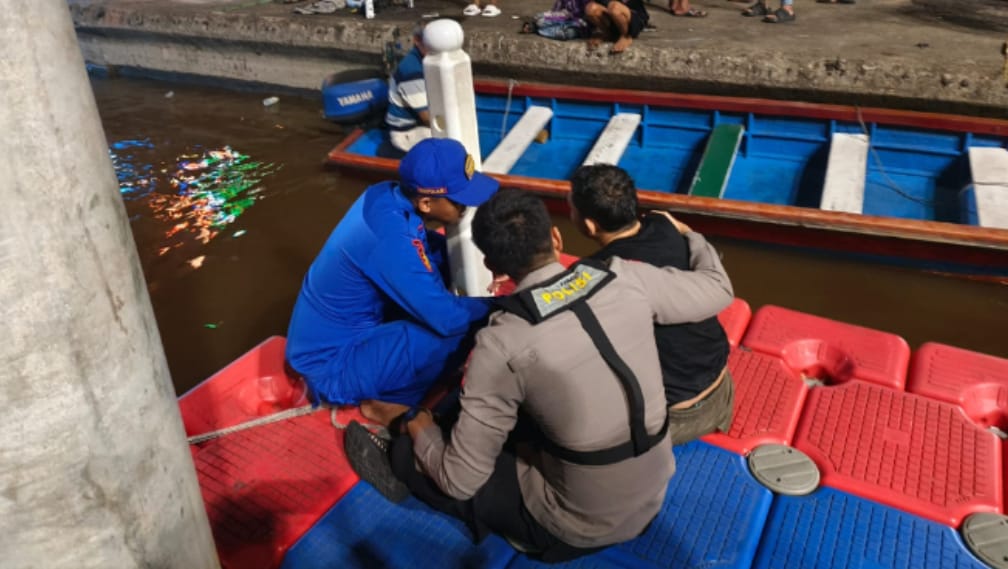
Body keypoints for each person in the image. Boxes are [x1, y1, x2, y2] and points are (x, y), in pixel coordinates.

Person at [347, 189, 734, 562]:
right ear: (555, 236)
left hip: (574, 528)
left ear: (491, 266)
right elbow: (718, 289)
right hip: (654, 490)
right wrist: (690, 235)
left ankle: (404, 451)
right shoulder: (625, 277)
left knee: (423, 454)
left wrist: (418, 424)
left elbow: (459, 479)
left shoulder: (502, 341)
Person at [285, 138, 498, 412]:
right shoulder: (390, 239)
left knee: (443, 257)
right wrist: (505, 306)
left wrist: (493, 255)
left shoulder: (384, 195)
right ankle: (386, 406)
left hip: (336, 335)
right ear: (426, 203)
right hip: (330, 365)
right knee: (451, 334)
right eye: (459, 201)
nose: (465, 208)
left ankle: (396, 371)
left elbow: (420, 244)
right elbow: (448, 320)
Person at [569, 164, 734, 446]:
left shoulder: (596, 275)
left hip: (677, 419)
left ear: (589, 225)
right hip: (722, 392)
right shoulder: (664, 224)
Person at [385, 24, 432, 153]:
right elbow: (427, 118)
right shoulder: (412, 71)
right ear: (417, 40)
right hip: (407, 132)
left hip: (420, 124)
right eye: (431, 42)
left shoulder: (430, 61)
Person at [583, 0, 649, 54]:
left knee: (614, 7)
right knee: (590, 8)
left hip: (633, 18)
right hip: (612, 17)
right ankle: (608, 34)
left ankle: (626, 36)